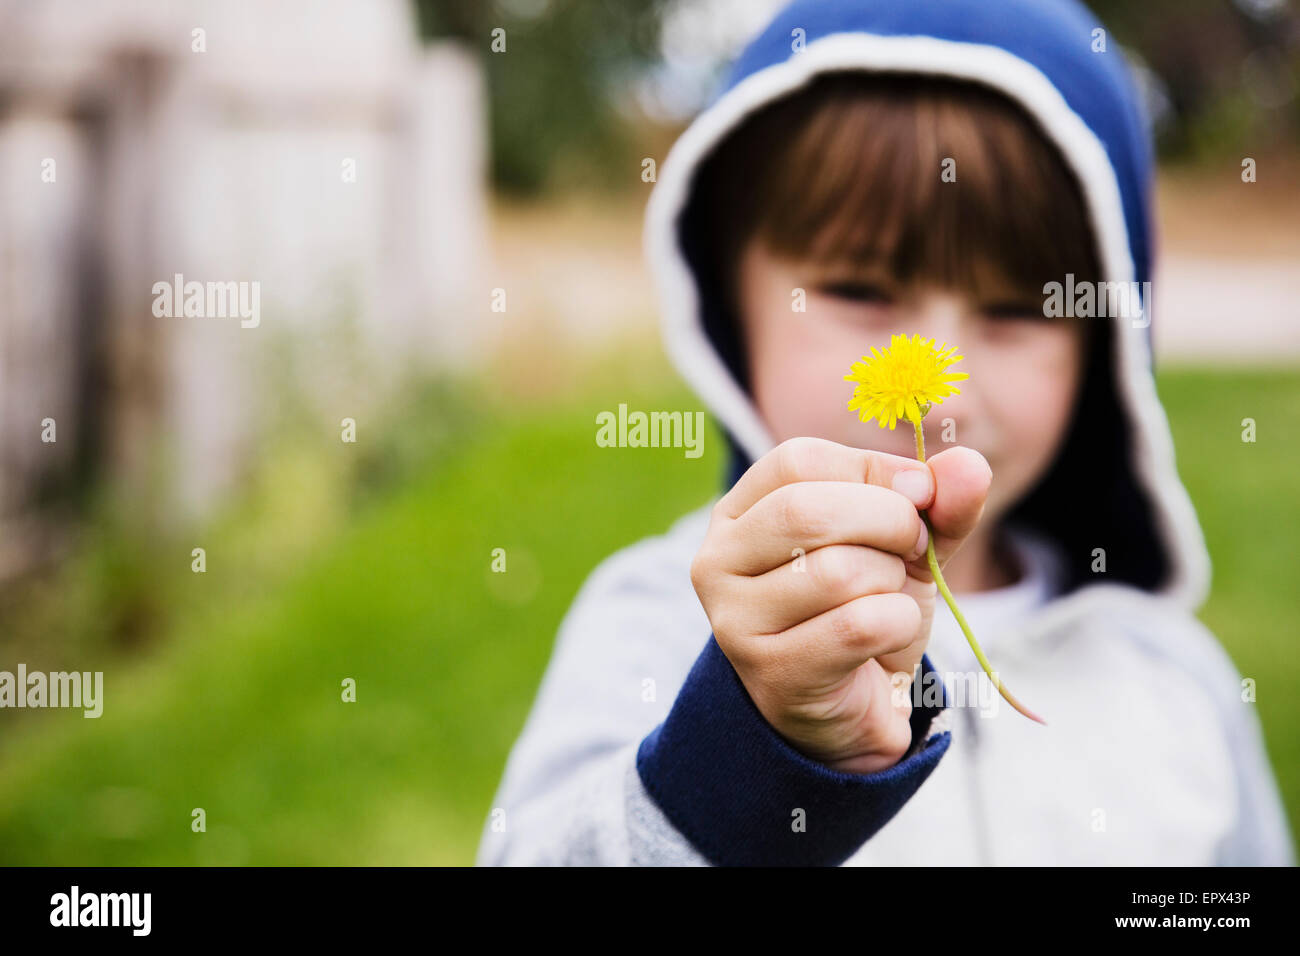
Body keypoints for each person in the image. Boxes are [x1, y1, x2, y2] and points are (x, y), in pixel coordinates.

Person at [476, 0, 1294, 865]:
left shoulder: (1173, 676)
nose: (943, 394)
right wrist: (745, 754)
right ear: (729, 305)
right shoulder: (654, 623)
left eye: (1018, 309)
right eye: (859, 292)